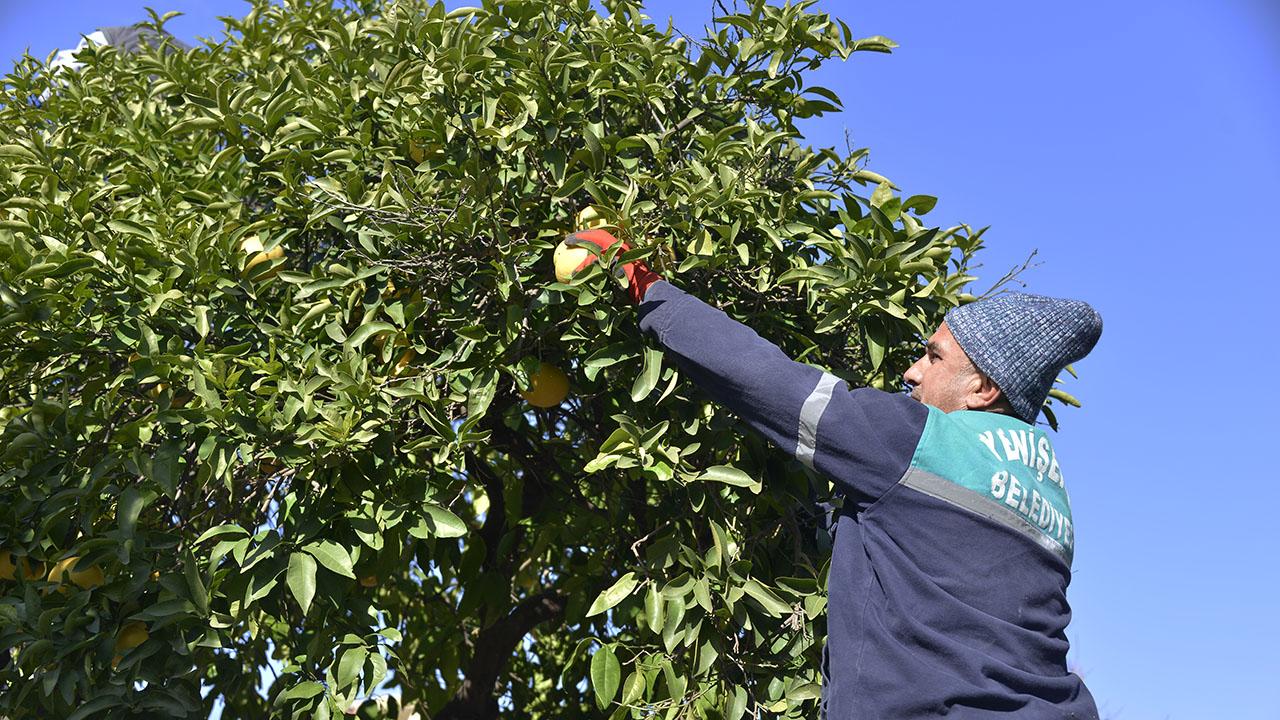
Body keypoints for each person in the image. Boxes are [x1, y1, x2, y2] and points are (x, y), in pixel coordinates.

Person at [564, 228, 1103, 719]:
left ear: (982, 389)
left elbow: (764, 379)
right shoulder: (1050, 492)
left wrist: (641, 282)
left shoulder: (916, 439)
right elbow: (927, 558)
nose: (912, 371)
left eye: (934, 358)